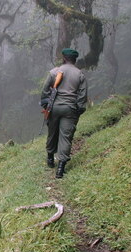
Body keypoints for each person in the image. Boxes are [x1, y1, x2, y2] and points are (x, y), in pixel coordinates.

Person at [40, 48, 88, 178]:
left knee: (52, 132)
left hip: (54, 107)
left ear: (64, 58)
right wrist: (79, 110)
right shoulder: (80, 74)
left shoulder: (54, 72)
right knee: (65, 136)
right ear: (74, 60)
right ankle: (60, 168)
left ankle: (50, 158)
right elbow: (83, 96)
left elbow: (44, 91)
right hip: (70, 108)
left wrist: (46, 105)